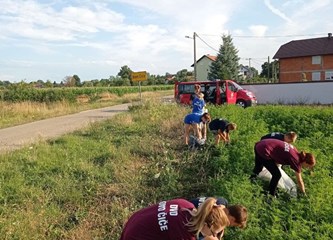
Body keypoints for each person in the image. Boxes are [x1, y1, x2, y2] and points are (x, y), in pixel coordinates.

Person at [119, 197, 230, 240]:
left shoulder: (186, 205)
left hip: (135, 222)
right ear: (206, 225)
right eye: (215, 233)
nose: (215, 237)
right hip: (135, 236)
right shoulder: (184, 234)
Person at [250, 138, 316, 196]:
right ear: (305, 162)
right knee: (277, 175)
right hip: (264, 150)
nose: (306, 168)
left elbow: (280, 154)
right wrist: (303, 193)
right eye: (307, 166)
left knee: (258, 168)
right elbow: (299, 180)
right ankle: (270, 195)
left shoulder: (295, 151)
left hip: (260, 144)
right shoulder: (296, 161)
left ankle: (250, 182)